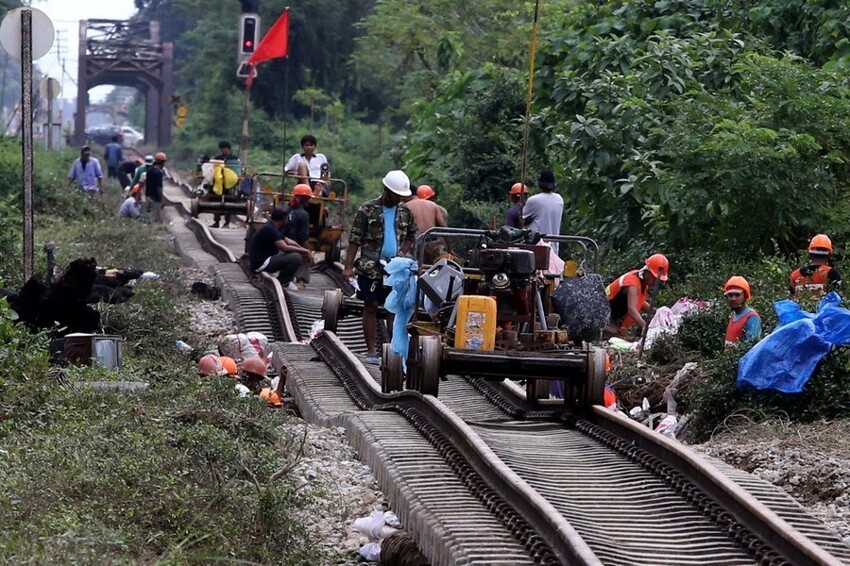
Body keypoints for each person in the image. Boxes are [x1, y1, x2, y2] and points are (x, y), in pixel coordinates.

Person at [343, 170, 418, 364]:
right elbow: (355, 239)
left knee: (394, 308)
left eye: (401, 196)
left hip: (395, 267)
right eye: (395, 195)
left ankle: (394, 351)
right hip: (370, 266)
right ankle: (371, 351)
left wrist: (403, 252)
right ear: (386, 190)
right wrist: (348, 267)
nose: (398, 199)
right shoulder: (367, 209)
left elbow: (412, 235)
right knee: (371, 306)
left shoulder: (405, 212)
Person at [604, 253, 669, 338]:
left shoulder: (642, 282)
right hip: (605, 316)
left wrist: (656, 311)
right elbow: (632, 309)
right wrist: (645, 326)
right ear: (648, 273)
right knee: (611, 339)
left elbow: (639, 301)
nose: (656, 282)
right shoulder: (633, 283)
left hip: (614, 318)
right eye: (655, 278)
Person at [248, 207, 313, 290]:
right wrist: (305, 251)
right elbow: (285, 248)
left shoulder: (271, 227)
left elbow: (288, 241)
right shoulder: (269, 229)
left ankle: (287, 279)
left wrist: (304, 250)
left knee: (295, 253)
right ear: (283, 219)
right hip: (261, 264)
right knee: (295, 257)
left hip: (262, 261)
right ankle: (283, 282)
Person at [523, 170, 564, 253]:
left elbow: (522, 221)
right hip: (554, 249)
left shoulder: (534, 200)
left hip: (536, 248)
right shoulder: (559, 200)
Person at [406, 184, 447, 263]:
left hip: (416, 243)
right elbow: (443, 228)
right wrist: (449, 248)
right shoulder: (435, 207)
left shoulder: (407, 206)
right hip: (432, 243)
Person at [283, 184, 313, 287]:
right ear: (306, 199)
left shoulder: (286, 211)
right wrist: (308, 252)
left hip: (282, 245)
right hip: (295, 248)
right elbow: (303, 237)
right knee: (305, 258)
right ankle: (300, 280)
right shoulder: (304, 214)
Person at [724, 276, 761, 347]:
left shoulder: (752, 318)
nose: (733, 299)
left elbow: (751, 349)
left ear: (745, 296)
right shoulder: (733, 315)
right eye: (730, 295)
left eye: (737, 295)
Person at [211, 140, 237, 229]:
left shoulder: (234, 159)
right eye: (221, 149)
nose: (223, 150)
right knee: (216, 201)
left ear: (228, 149)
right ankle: (216, 221)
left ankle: (227, 222)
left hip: (229, 184)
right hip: (219, 183)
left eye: (224, 148)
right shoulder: (218, 158)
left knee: (229, 202)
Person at [145, 151, 167, 222]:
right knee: (155, 219)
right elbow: (159, 188)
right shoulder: (159, 173)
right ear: (162, 162)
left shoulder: (149, 170)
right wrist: (162, 199)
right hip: (155, 199)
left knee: (148, 217)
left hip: (148, 197)